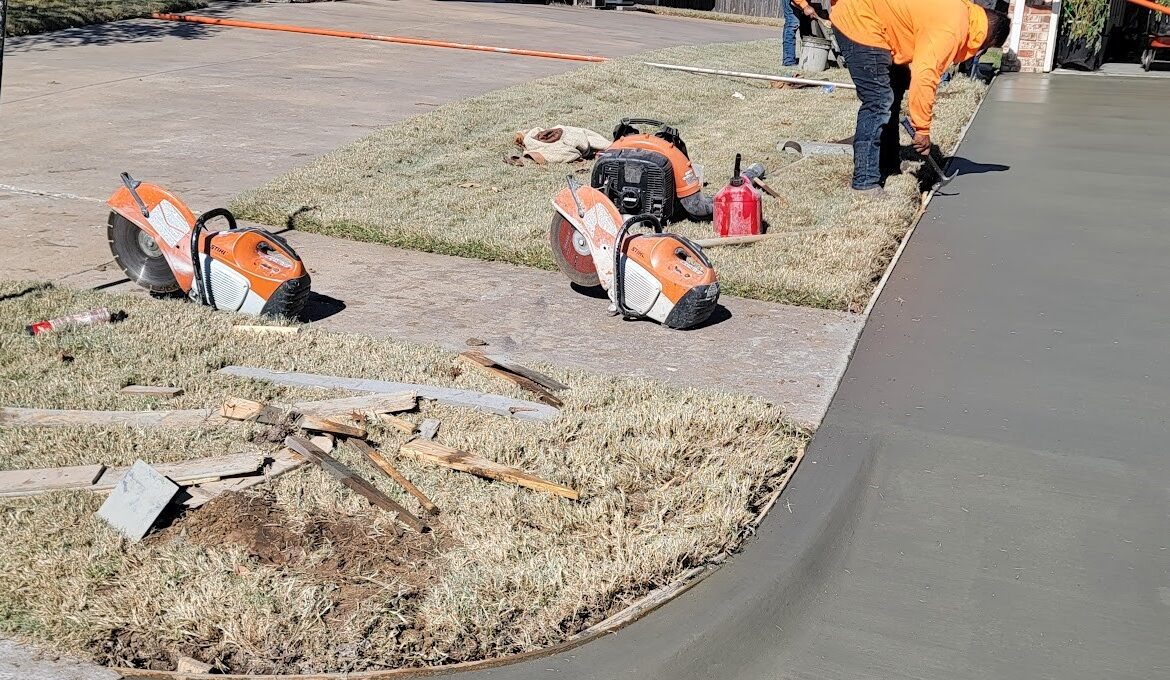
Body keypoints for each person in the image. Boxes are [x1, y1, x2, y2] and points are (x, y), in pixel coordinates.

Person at [826, 0, 1011, 195]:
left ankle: (889, 164)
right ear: (987, 38)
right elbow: (925, 77)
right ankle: (864, 182)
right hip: (859, 19)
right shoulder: (952, 29)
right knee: (878, 100)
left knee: (896, 85)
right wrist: (922, 129)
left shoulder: (963, 14)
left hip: (877, 23)